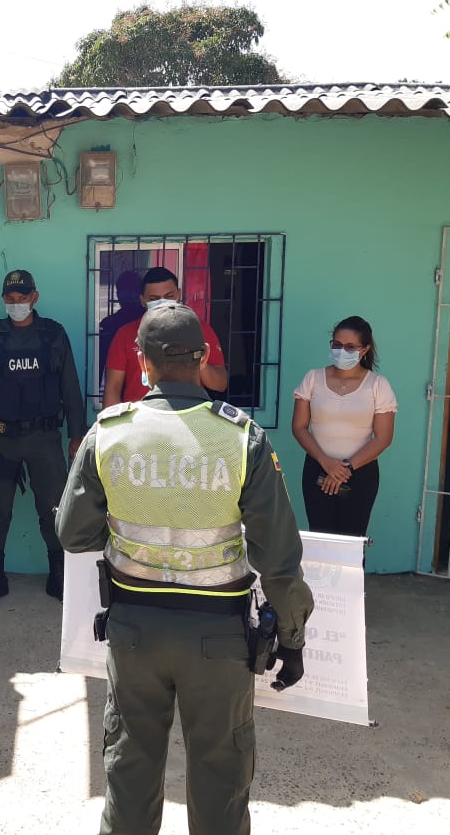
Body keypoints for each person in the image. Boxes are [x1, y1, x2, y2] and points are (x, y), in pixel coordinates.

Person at [56, 302, 314, 835]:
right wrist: (292, 637)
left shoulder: (109, 431)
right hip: (219, 637)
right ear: (202, 358)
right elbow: (279, 560)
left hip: (133, 633)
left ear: (141, 360)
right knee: (221, 773)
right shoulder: (242, 438)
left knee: (129, 770)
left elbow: (72, 534)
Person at [0, 269, 88, 607]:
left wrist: (77, 435)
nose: (16, 304)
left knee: (54, 509)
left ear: (35, 297)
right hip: (1, 440)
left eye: (22, 298)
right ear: (4, 299)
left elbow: (70, 389)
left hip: (44, 439)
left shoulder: (53, 335)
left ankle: (58, 575)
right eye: (10, 298)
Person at [292, 315, 397, 538]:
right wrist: (325, 462)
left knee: (352, 542)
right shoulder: (313, 378)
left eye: (350, 347)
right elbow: (299, 427)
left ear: (365, 349)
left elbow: (383, 438)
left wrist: (346, 468)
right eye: (337, 345)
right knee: (320, 538)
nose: (342, 351)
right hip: (317, 470)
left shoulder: (378, 385)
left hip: (360, 473)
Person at [102, 267, 227, 407]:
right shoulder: (125, 334)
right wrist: (111, 425)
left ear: (179, 294)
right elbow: (112, 388)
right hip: (140, 421)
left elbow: (220, 385)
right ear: (143, 300)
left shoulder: (198, 329)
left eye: (169, 296)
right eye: (153, 299)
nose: (162, 302)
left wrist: (200, 363)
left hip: (188, 417)